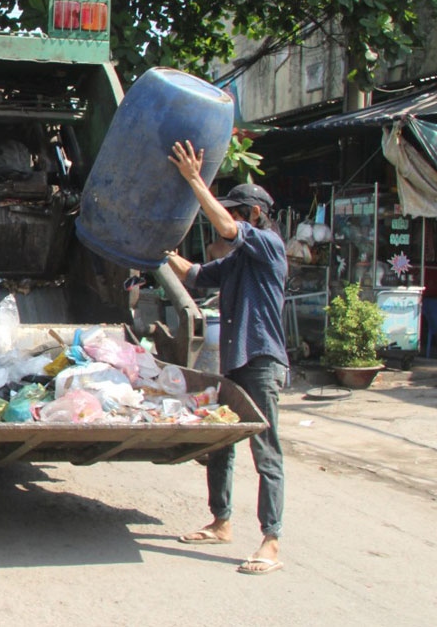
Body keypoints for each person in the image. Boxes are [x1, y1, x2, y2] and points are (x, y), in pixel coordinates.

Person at [164, 140, 289, 576]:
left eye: (234, 212)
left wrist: (195, 180)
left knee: (265, 452)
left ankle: (271, 541)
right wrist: (157, 249)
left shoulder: (269, 246)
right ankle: (221, 521)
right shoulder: (238, 263)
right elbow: (195, 275)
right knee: (221, 443)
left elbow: (228, 229)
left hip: (261, 360)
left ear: (253, 216)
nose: (225, 222)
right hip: (235, 360)